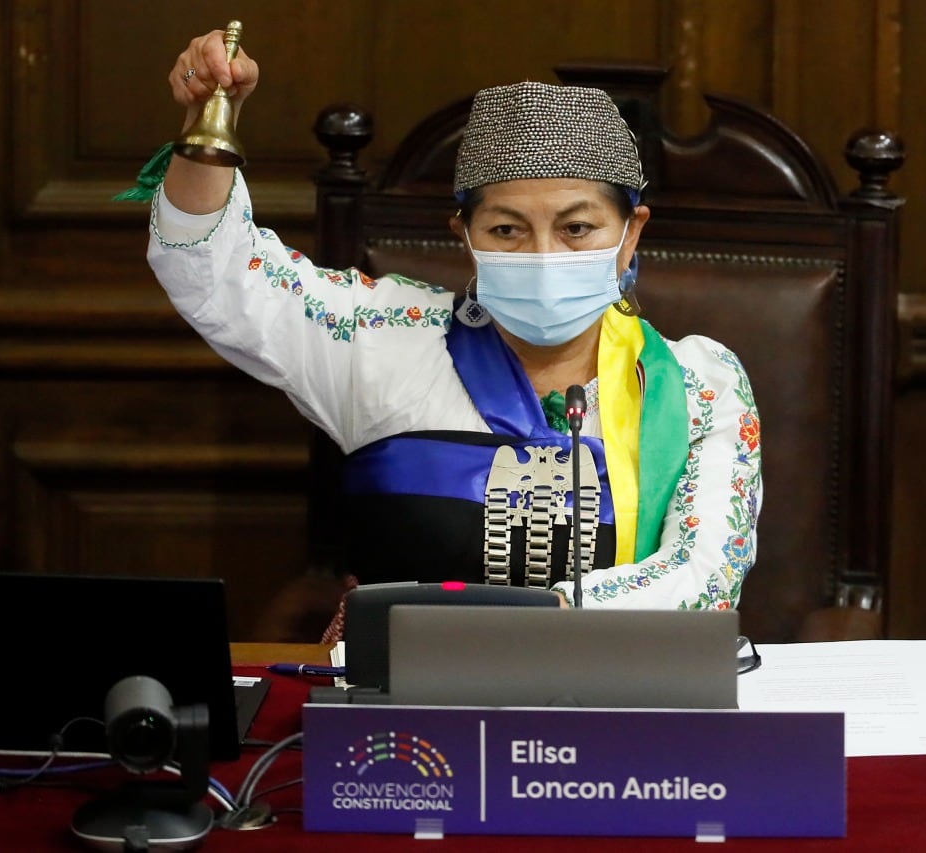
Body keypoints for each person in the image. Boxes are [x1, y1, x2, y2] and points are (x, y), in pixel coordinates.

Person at [146, 29, 762, 641]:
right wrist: (208, 130)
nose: (543, 254)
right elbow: (214, 272)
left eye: (576, 229)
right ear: (462, 235)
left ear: (631, 234)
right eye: (506, 230)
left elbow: (703, 581)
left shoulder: (695, 386)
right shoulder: (379, 338)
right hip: (396, 708)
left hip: (615, 704)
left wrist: (492, 635)